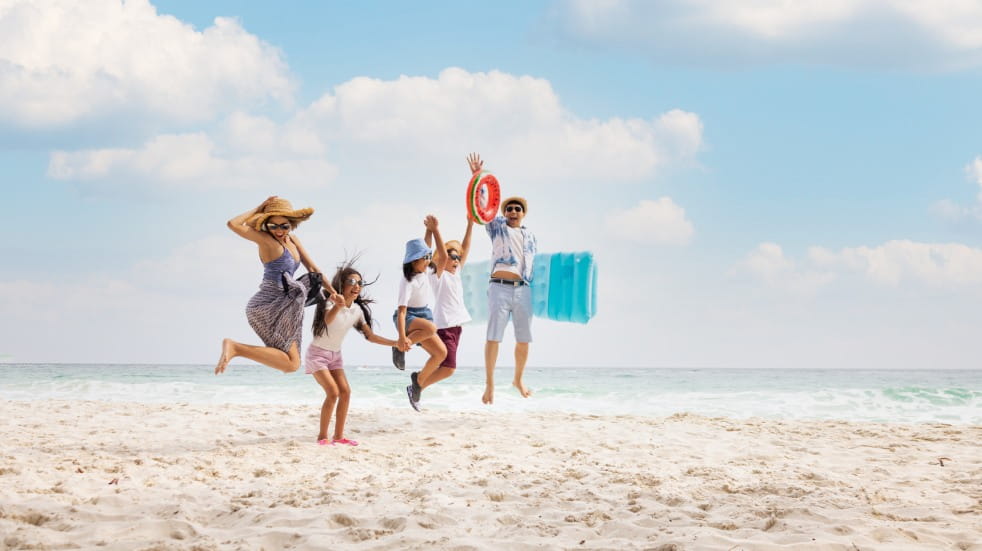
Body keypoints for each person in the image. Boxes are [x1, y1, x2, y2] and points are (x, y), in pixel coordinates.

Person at [215, 196, 330, 374]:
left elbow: (314, 269)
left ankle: (236, 348)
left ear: (292, 224)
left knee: (292, 363)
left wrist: (333, 292)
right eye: (273, 225)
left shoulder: (293, 240)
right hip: (267, 305)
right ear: (266, 225)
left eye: (284, 225)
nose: (279, 230)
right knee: (292, 364)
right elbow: (233, 224)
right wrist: (258, 208)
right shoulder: (266, 241)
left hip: (285, 305)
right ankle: (235, 348)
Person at [468, 153, 538, 404]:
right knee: (493, 337)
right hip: (498, 287)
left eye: (517, 208)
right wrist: (477, 177)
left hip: (523, 289)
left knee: (524, 339)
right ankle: (489, 384)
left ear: (523, 214)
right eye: (509, 208)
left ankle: (518, 379)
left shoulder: (530, 237)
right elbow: (481, 207)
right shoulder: (496, 226)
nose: (512, 211)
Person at [306, 262, 401, 446]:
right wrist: (338, 305)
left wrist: (395, 343)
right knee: (333, 392)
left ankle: (339, 436)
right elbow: (327, 320)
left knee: (346, 392)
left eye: (360, 282)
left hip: (335, 355)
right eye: (352, 281)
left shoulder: (357, 311)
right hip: (317, 354)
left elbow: (370, 336)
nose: (357, 286)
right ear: (342, 284)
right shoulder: (329, 302)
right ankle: (322, 436)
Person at [409, 217, 475, 404]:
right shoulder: (437, 275)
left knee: (446, 366)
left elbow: (466, 248)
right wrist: (433, 230)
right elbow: (426, 252)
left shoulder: (456, 273)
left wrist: (470, 225)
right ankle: (419, 381)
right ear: (441, 259)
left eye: (457, 258)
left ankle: (418, 384)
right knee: (449, 367)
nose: (455, 260)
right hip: (444, 326)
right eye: (451, 257)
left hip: (456, 328)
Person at [392, 216, 448, 411]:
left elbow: (441, 254)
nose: (428, 260)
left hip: (423, 318)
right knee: (432, 327)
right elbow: (401, 312)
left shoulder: (426, 272)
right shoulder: (407, 281)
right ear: (414, 261)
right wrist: (401, 338)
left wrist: (432, 230)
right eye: (424, 258)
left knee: (441, 354)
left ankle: (417, 382)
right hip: (408, 319)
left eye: (428, 257)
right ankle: (399, 347)